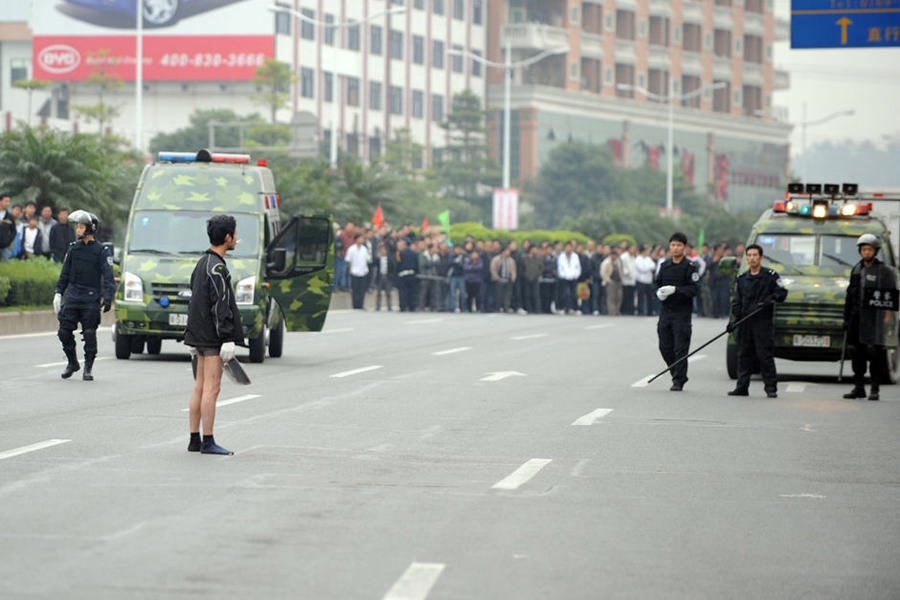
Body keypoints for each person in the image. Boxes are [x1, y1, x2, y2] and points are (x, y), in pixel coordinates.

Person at [183, 215, 245, 455]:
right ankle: (208, 441)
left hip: (198, 334)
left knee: (200, 387)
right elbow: (221, 306)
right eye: (235, 234)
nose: (236, 239)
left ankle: (194, 439)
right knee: (212, 389)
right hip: (212, 336)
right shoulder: (218, 268)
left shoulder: (202, 263)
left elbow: (194, 300)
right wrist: (227, 338)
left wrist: (190, 335)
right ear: (227, 237)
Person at [53, 210, 114, 381]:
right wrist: (58, 292)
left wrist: (108, 297)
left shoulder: (102, 251)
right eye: (77, 227)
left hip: (90, 296)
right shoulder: (73, 248)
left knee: (89, 333)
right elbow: (65, 273)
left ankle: (88, 367)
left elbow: (108, 276)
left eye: (81, 227)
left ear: (90, 229)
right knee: (64, 331)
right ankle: (72, 362)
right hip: (73, 294)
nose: (78, 230)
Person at [841, 233, 899, 401]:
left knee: (875, 354)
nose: (866, 252)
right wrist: (846, 319)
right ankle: (859, 387)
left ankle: (875, 388)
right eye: (864, 249)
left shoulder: (884, 271)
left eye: (870, 249)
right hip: (857, 318)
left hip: (875, 320)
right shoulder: (857, 269)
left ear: (875, 251)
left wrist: (887, 318)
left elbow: (890, 298)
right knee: (856, 354)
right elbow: (850, 295)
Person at [726, 244, 788, 398]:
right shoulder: (742, 278)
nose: (752, 258)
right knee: (743, 355)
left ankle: (770, 388)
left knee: (764, 355)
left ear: (761, 258)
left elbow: (782, 293)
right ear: (746, 258)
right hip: (745, 322)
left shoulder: (771, 276)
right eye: (749, 255)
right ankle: (742, 387)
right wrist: (734, 320)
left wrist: (770, 299)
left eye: (755, 255)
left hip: (762, 322)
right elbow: (737, 302)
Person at [655, 232, 700, 391]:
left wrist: (676, 290)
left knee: (680, 348)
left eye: (679, 245)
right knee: (664, 346)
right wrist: (658, 293)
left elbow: (694, 289)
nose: (675, 248)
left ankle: (678, 380)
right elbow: (657, 283)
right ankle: (676, 372)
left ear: (684, 247)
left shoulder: (690, 267)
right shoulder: (664, 266)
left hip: (682, 313)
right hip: (666, 311)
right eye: (673, 245)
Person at [345, 234, 370, 310]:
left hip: (363, 272)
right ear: (356, 240)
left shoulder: (364, 249)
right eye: (360, 238)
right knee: (355, 290)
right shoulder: (351, 249)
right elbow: (348, 260)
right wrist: (350, 269)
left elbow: (367, 259)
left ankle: (361, 305)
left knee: (362, 290)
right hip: (354, 272)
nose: (362, 240)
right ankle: (355, 305)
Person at [0, 193, 15, 262]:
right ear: (0, 201)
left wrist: (8, 241)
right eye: (6, 201)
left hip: (5, 247)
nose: (8, 204)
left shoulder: (10, 217)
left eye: (9, 201)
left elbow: (13, 231)